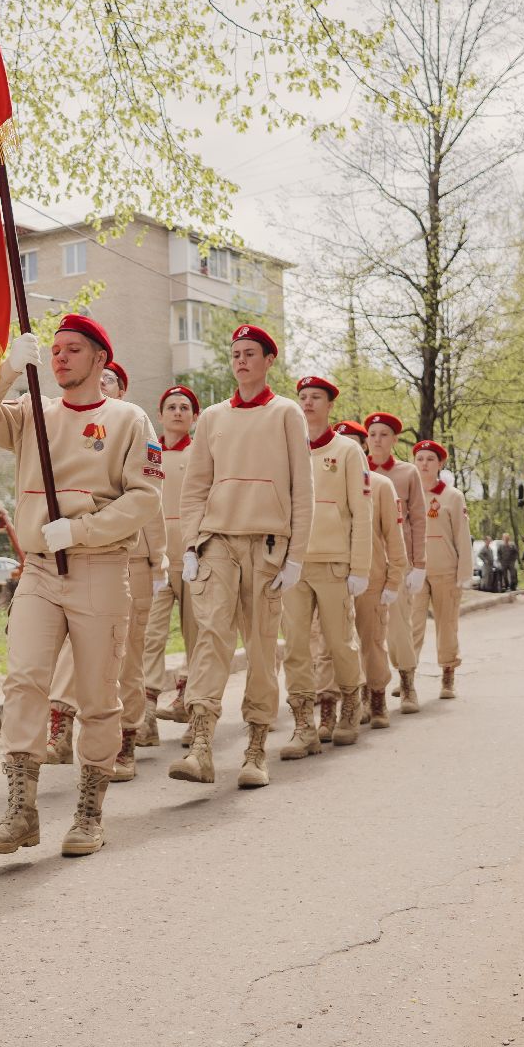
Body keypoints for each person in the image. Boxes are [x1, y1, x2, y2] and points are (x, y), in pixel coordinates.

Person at [0, 315, 160, 858]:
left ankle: (89, 814)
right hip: (41, 569)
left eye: (73, 349)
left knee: (97, 695)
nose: (60, 357)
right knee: (24, 680)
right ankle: (21, 811)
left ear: (100, 358)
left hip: (99, 567)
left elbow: (145, 498)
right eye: (54, 350)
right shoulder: (33, 413)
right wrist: (6, 369)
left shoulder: (128, 419)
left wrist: (83, 529)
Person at [170, 324, 313, 789]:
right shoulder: (213, 417)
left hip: (268, 546)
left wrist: (296, 556)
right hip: (217, 542)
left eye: (250, 353)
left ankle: (255, 748)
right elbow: (195, 487)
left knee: (260, 644)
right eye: (235, 354)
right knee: (211, 637)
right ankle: (201, 745)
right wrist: (190, 544)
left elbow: (302, 489)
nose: (241, 361)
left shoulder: (286, 413)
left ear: (269, 360)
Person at [42, 360, 167, 780]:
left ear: (122, 388)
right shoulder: (70, 428)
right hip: (78, 555)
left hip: (129, 559)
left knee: (125, 653)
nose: (102, 384)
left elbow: (150, 506)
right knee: (70, 649)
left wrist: (158, 561)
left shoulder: (134, 426)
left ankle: (126, 737)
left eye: (110, 379)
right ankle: (60, 727)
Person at [279, 376, 372, 758]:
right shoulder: (288, 449)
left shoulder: (347, 450)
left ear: (330, 404)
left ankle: (350, 704)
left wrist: (359, 567)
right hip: (294, 564)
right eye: (302, 396)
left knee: (340, 643)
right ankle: (304, 725)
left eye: (315, 397)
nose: (307, 403)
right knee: (295, 647)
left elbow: (362, 512)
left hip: (334, 563)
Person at [333, 421, 409, 729]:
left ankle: (377, 699)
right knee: (339, 645)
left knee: (372, 642)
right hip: (335, 576)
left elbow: (394, 536)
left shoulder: (380, 485)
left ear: (364, 447)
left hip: (373, 577)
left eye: (354, 442)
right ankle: (355, 698)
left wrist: (394, 578)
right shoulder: (327, 481)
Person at [144, 385, 201, 727]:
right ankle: (146, 712)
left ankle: (190, 702)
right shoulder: (147, 455)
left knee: (196, 634)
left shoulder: (201, 455)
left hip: (193, 558)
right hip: (156, 560)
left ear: (194, 417)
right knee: (151, 634)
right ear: (160, 415)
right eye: (171, 407)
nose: (178, 412)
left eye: (184, 408)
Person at [363, 412, 427, 711]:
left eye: (384, 434)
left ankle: (407, 683)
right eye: (372, 434)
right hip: (365, 559)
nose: (377, 440)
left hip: (398, 561)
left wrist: (419, 564)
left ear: (395, 439)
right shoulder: (357, 469)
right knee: (364, 628)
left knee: (399, 625)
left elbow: (418, 519)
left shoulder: (407, 473)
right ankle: (367, 692)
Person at [409, 440, 470, 703]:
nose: (424, 464)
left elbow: (462, 535)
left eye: (430, 459)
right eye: (420, 459)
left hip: (445, 570)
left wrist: (464, 573)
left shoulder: (452, 496)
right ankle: (407, 677)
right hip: (414, 571)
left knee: (447, 625)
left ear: (440, 464)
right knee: (412, 627)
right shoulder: (407, 493)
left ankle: (448, 674)